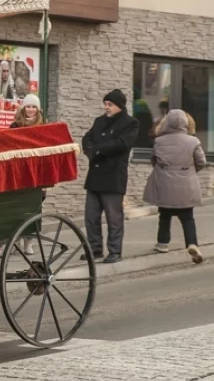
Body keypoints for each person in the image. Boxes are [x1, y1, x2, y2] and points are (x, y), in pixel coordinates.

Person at [82, 89, 139, 264]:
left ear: (119, 106)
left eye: (110, 104)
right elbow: (87, 138)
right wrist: (91, 150)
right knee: (91, 216)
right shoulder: (99, 121)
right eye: (105, 104)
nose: (106, 107)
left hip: (113, 176)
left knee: (113, 217)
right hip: (95, 175)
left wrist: (97, 149)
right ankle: (95, 248)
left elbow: (121, 144)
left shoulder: (130, 123)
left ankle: (114, 251)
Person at [142, 109, 205, 264]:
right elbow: (201, 162)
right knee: (188, 217)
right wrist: (189, 172)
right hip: (186, 184)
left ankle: (163, 243)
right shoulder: (193, 141)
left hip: (165, 184)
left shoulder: (159, 141)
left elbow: (154, 161)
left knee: (164, 215)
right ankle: (192, 243)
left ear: (167, 122)